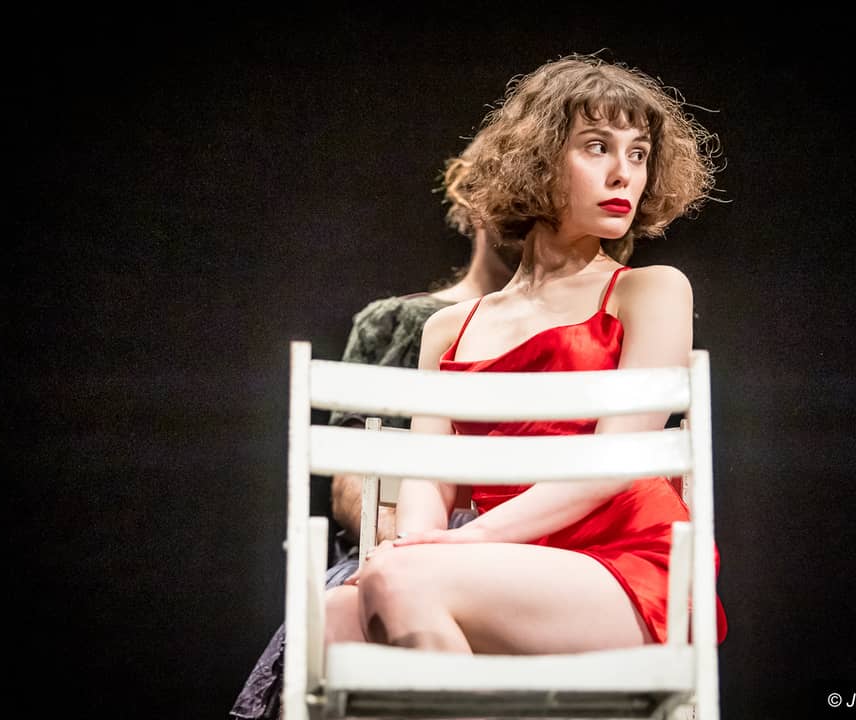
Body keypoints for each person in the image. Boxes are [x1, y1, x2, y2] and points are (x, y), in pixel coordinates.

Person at [325, 53, 728, 654]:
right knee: (334, 613)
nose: (624, 174)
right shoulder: (448, 329)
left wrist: (462, 543)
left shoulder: (651, 291)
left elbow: (616, 462)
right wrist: (418, 545)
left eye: (639, 154)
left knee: (398, 579)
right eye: (598, 147)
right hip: (502, 562)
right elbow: (428, 484)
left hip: (628, 564)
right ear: (538, 159)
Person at [228, 141, 520, 720]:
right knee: (352, 607)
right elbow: (351, 485)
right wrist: (412, 544)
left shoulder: (596, 323)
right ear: (475, 196)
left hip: (534, 547)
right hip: (405, 542)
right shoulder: (400, 323)